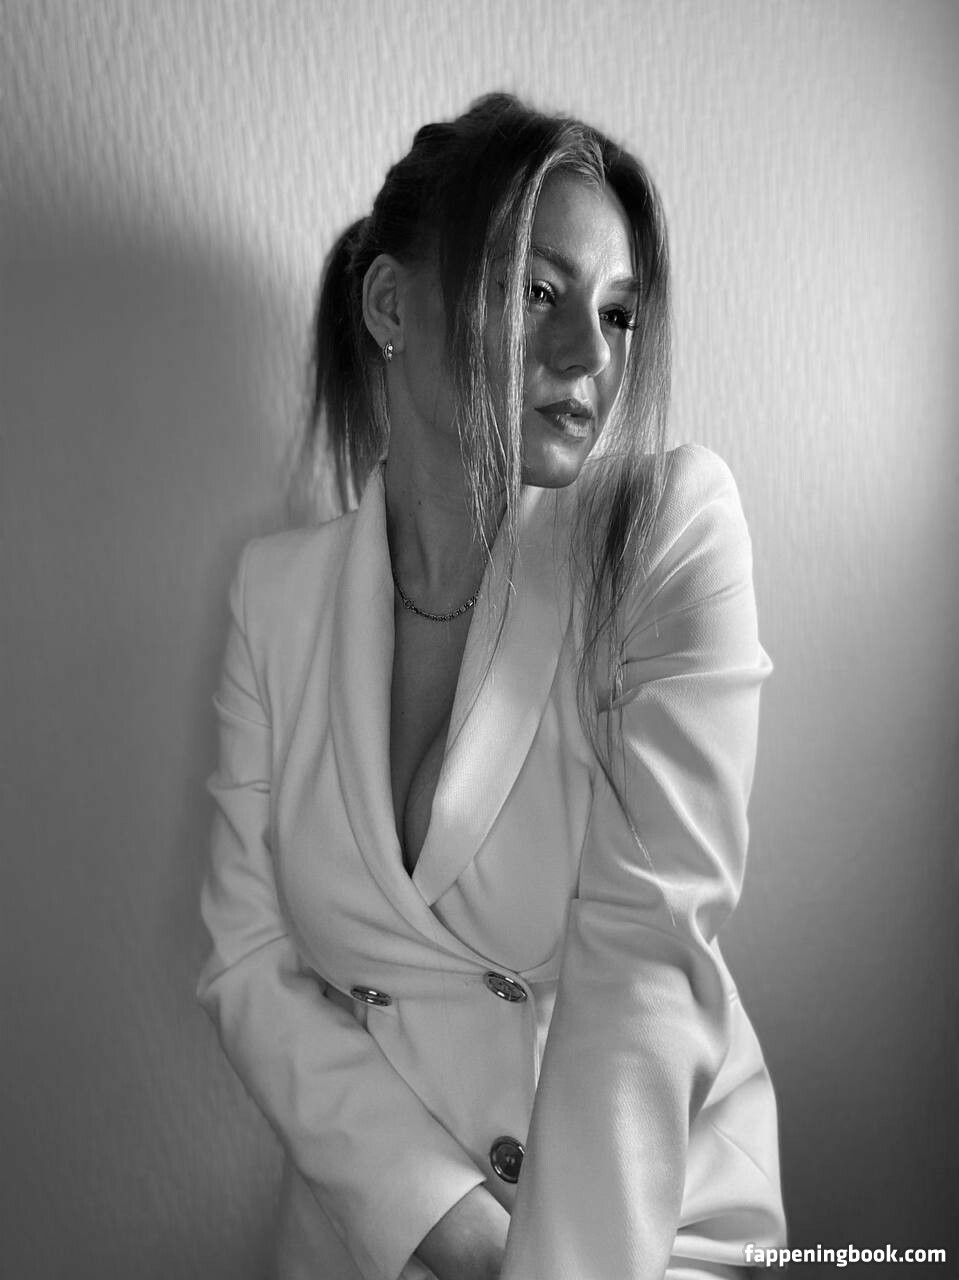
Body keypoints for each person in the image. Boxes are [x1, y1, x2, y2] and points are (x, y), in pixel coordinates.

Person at [196, 92, 787, 1280]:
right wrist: (446, 1222)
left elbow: (643, 958)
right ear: (390, 305)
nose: (591, 356)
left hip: (640, 1220)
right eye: (534, 290)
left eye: (616, 312)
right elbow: (246, 958)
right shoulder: (275, 593)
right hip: (380, 1224)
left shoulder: (663, 534)